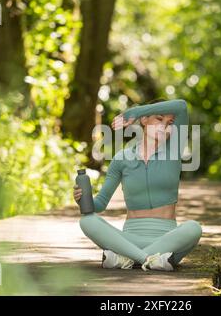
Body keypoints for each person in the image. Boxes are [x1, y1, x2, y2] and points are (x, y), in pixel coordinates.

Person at [74, 98, 202, 271]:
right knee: (87, 221)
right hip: (129, 238)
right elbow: (99, 204)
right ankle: (149, 260)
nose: (164, 125)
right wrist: (83, 199)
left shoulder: (173, 151)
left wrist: (136, 111)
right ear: (144, 120)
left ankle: (125, 258)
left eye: (170, 122)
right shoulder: (121, 159)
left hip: (166, 239)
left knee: (193, 228)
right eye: (159, 118)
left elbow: (182, 106)